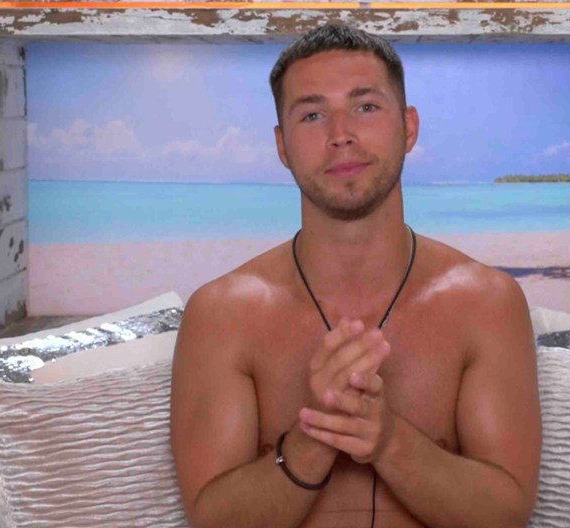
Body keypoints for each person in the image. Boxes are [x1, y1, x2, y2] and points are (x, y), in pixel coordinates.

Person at [170, 23, 542, 528]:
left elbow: (506, 513)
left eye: (366, 106)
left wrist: (388, 439)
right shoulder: (221, 314)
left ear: (408, 128)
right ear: (282, 146)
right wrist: (313, 440)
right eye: (312, 114)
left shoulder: (487, 303)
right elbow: (211, 519)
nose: (340, 133)